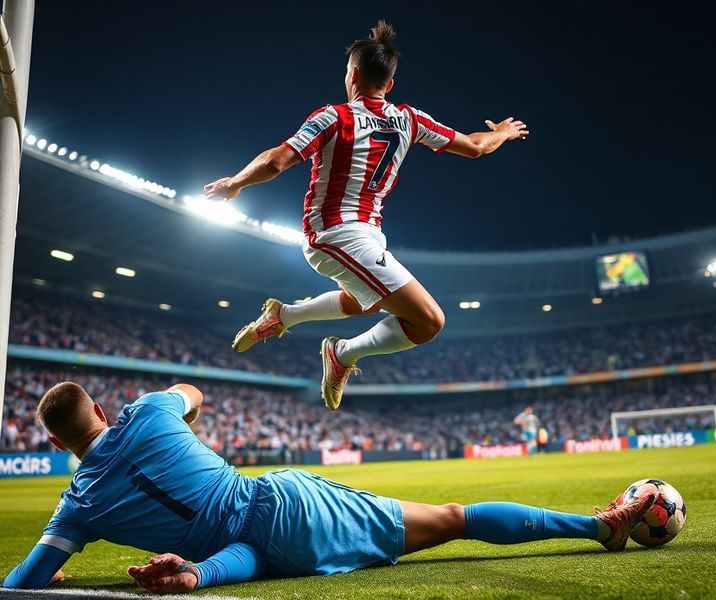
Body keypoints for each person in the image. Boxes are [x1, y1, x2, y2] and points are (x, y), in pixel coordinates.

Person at [3, 382, 654, 594]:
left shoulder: (77, 507)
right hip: (281, 506)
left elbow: (19, 587)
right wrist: (173, 412)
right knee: (455, 517)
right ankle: (602, 527)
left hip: (250, 550)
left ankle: (196, 577)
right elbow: (193, 395)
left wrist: (50, 578)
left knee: (239, 556)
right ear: (99, 410)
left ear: (56, 444)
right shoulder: (147, 410)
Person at [203, 21, 528, 411]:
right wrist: (505, 133)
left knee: (370, 301)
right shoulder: (410, 118)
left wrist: (235, 184)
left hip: (357, 233)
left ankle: (286, 317)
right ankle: (343, 353)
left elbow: (276, 160)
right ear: (389, 84)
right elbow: (476, 146)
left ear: (351, 74)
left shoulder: (333, 117)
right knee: (428, 321)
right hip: (337, 235)